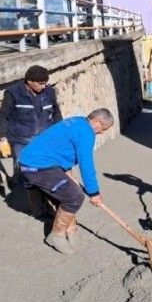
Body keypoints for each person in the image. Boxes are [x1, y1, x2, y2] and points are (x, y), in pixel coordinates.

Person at [18, 109, 114, 254]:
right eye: (103, 128)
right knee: (75, 196)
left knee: (69, 190)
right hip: (36, 166)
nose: (102, 133)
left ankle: (71, 229)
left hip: (40, 162)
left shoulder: (78, 122)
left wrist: (68, 172)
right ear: (95, 122)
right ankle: (56, 235)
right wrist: (94, 192)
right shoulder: (86, 132)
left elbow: (62, 147)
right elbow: (86, 163)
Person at [0, 65, 62, 217]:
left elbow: (56, 113)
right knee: (30, 174)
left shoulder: (49, 92)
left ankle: (51, 204)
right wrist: (3, 138)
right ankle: (38, 208)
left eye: (46, 83)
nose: (44, 86)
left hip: (45, 140)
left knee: (48, 172)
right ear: (29, 81)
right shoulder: (13, 93)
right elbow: (2, 117)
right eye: (41, 83)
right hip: (22, 141)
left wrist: (60, 134)